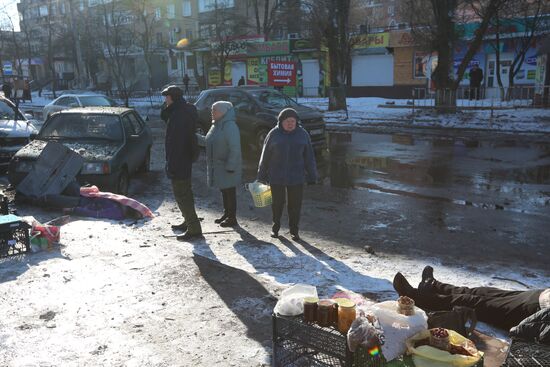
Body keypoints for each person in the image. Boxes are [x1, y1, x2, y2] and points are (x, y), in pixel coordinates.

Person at [393, 266, 550, 343]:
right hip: (542, 297)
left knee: (476, 302)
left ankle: (416, 297)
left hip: (539, 314)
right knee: (483, 292)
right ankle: (434, 285)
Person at [257, 108, 317, 241]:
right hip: (276, 175)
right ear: (281, 122)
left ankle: (294, 231)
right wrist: (261, 175)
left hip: (296, 176)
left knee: (295, 205)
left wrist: (312, 175)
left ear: (296, 122)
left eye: (293, 121)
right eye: (287, 121)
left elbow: (309, 157)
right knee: (277, 203)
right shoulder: (273, 134)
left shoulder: (302, 134)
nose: (290, 124)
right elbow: (265, 156)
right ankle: (275, 228)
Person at [160, 85, 203, 241]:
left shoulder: (179, 115)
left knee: (182, 195)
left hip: (179, 161)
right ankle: (189, 222)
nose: (165, 100)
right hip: (183, 160)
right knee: (186, 193)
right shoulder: (181, 111)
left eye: (166, 97)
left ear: (172, 97)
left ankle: (194, 229)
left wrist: (172, 165)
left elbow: (176, 144)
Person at [200, 101, 242, 227]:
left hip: (228, 166)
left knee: (230, 191)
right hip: (219, 166)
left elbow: (235, 148)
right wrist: (193, 137)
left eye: (215, 110)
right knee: (224, 191)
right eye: (212, 110)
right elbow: (208, 141)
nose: (212, 113)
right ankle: (227, 213)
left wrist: (230, 166)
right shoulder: (216, 125)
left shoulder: (230, 126)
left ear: (223, 112)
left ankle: (232, 218)